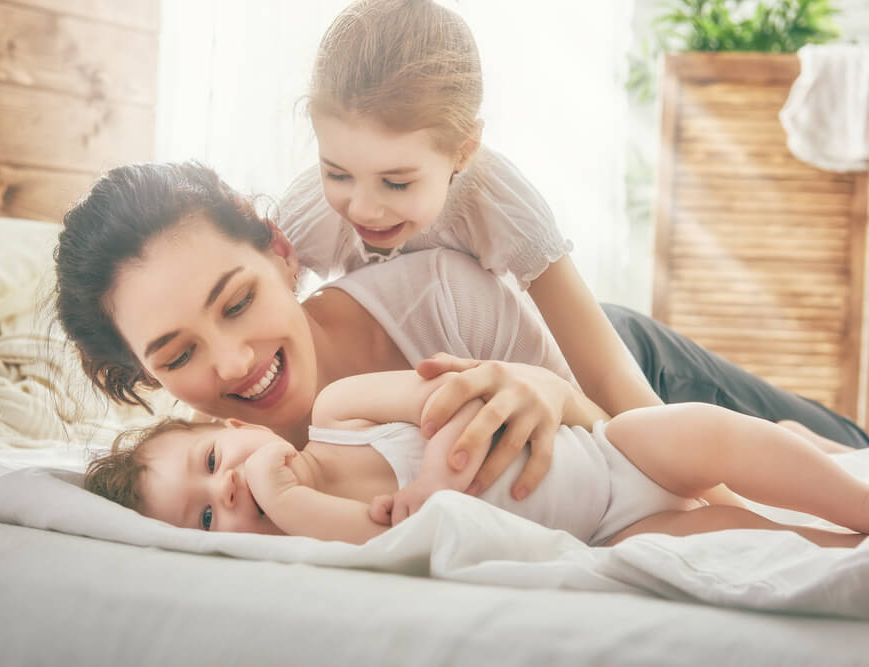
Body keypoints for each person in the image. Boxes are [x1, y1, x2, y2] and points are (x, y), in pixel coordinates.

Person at [53, 161, 865, 510]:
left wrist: (547, 389)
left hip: (610, 368)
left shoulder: (439, 294)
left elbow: (624, 443)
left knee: (842, 449)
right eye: (178, 354)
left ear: (278, 251)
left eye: (236, 303)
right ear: (144, 372)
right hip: (585, 424)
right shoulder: (204, 468)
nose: (233, 362)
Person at [277, 0, 869, 462]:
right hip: (546, 378)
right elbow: (259, 327)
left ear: (464, 151)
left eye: (397, 183)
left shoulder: (497, 199)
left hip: (620, 357)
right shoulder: (312, 210)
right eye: (338, 172)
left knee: (807, 443)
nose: (364, 207)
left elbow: (612, 378)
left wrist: (697, 486)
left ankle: (814, 438)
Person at [84, 369, 869, 549]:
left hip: (606, 454)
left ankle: (853, 500)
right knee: (730, 541)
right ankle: (842, 549)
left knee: (713, 435)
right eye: (208, 516)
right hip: (612, 533)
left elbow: (457, 394)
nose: (227, 485)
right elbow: (383, 537)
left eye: (214, 456)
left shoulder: (337, 412)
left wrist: (431, 478)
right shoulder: (312, 536)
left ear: (229, 423)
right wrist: (285, 503)